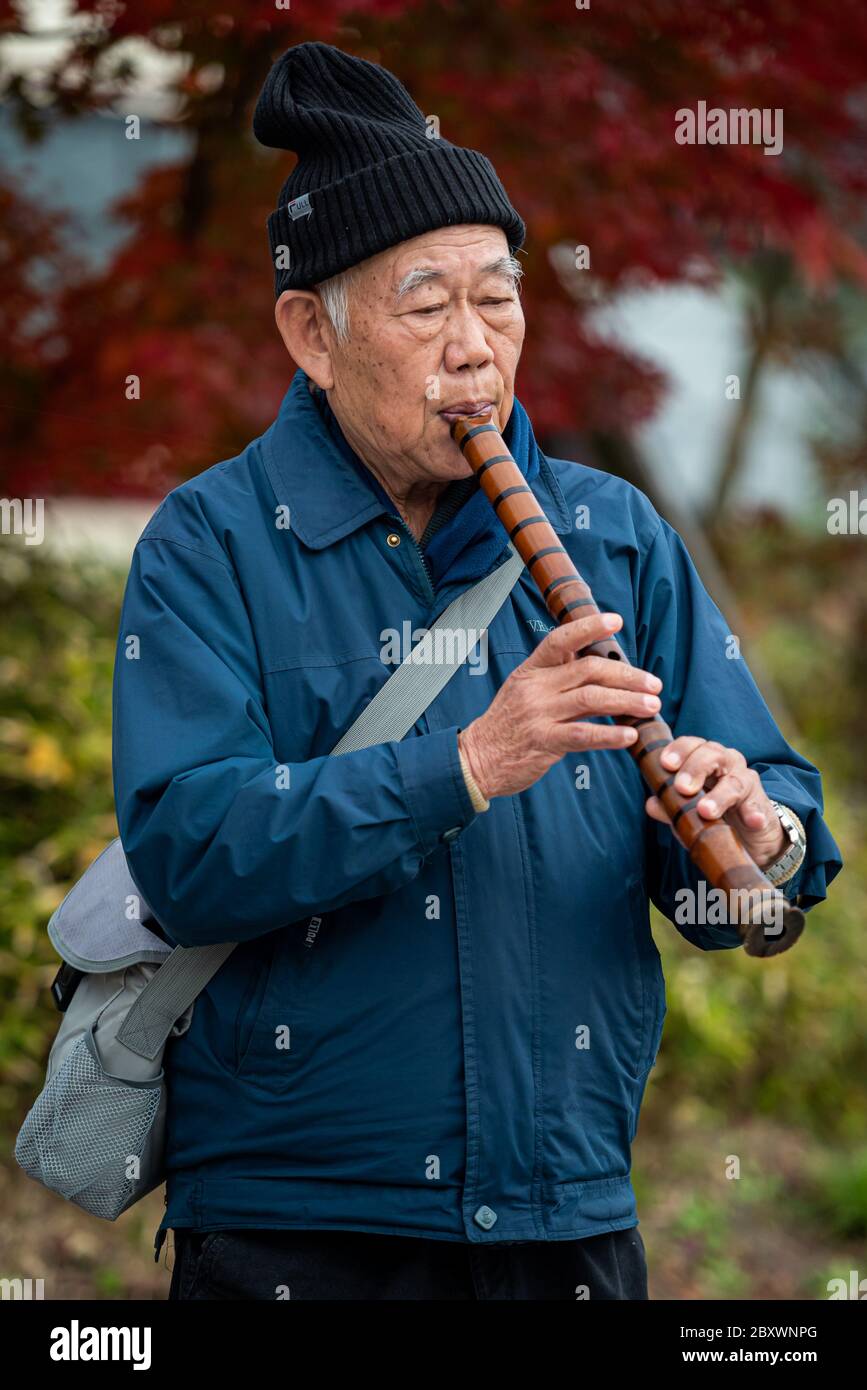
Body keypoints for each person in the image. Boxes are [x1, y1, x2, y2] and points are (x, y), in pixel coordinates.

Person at [112, 40, 842, 1301]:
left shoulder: (615, 532)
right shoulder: (212, 541)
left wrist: (758, 830)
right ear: (313, 334)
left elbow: (760, 858)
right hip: (301, 1233)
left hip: (566, 1219)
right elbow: (188, 848)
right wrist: (462, 765)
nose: (474, 348)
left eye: (498, 299)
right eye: (423, 302)